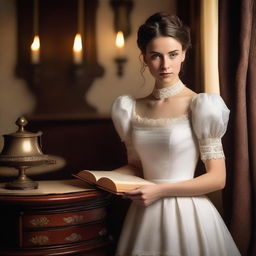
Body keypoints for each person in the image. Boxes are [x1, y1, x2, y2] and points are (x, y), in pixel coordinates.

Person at [111, 12, 241, 256]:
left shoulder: (202, 106)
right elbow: (136, 167)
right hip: (143, 215)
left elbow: (217, 179)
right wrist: (100, 178)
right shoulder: (128, 109)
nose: (165, 65)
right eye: (156, 56)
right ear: (144, 58)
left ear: (184, 54)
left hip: (188, 214)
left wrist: (159, 191)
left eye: (172, 55)